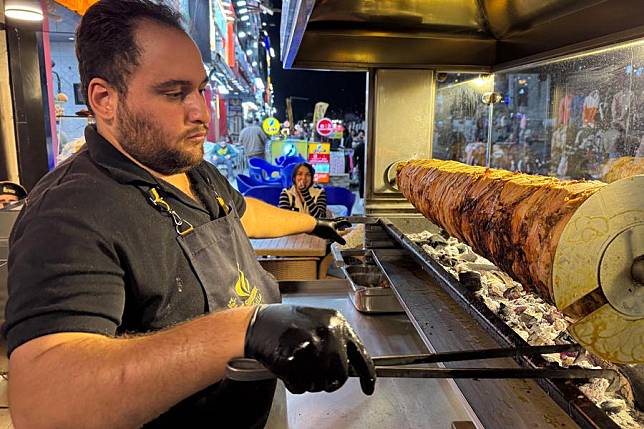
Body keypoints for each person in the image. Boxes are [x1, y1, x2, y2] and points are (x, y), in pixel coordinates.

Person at [4, 1, 376, 428]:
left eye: (200, 89)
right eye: (174, 93)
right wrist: (244, 330)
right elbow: (43, 404)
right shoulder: (71, 211)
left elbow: (242, 214)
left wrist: (314, 224)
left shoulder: (190, 169)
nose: (200, 112)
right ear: (104, 99)